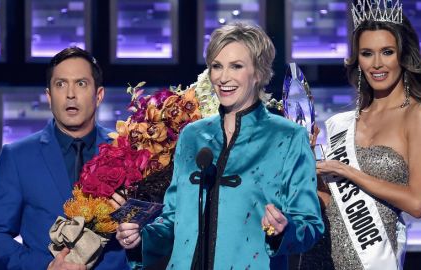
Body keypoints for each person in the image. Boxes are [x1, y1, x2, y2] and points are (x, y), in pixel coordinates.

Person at [114, 23, 324, 269]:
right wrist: (141, 238)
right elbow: (172, 221)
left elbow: (310, 225)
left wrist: (282, 231)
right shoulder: (192, 136)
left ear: (258, 72)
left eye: (236, 66)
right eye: (216, 66)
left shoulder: (288, 137)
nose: (223, 78)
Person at [299, 0, 421, 269]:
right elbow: (331, 200)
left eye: (387, 52)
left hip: (372, 259)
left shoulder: (419, 114)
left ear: (402, 54)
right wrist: (307, 163)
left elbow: (418, 202)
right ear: (357, 59)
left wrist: (349, 171)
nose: (377, 63)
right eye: (367, 53)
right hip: (320, 254)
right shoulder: (344, 121)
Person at [0, 47, 128, 270]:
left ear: (99, 95)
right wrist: (46, 266)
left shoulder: (127, 150)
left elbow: (158, 229)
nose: (70, 94)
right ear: (49, 96)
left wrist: (138, 234)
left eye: (81, 83)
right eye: (60, 84)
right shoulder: (18, 157)